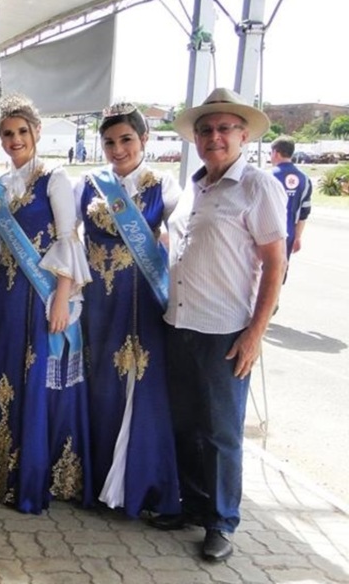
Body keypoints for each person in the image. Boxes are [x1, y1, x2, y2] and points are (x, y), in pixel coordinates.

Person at [154, 88, 287, 562]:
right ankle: (192, 506)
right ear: (195, 138)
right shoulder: (193, 186)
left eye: (224, 128)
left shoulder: (258, 186)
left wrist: (256, 333)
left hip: (225, 333)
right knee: (186, 424)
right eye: (206, 130)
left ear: (243, 135)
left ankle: (222, 521)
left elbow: (275, 264)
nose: (214, 137)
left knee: (221, 434)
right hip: (180, 323)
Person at [0, 93, 92, 514]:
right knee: (1, 376)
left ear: (35, 133)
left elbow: (69, 238)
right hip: (6, 295)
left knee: (34, 378)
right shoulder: (1, 186)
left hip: (41, 296)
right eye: (6, 134)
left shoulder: (55, 178)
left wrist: (63, 299)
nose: (14, 140)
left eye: (20, 132)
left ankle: (31, 477)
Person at [75, 103, 182, 518]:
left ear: (144, 140)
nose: (117, 150)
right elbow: (65, 236)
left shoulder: (164, 185)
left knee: (143, 389)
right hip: (99, 304)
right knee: (101, 386)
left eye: (126, 140)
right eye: (109, 142)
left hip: (141, 302)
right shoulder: (88, 184)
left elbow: (184, 237)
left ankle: (142, 486)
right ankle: (102, 482)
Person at [269, 135, 312, 269]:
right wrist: (297, 237)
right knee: (280, 272)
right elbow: (304, 212)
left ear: (276, 152)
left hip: (267, 234)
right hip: (289, 234)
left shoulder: (267, 177)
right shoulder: (304, 179)